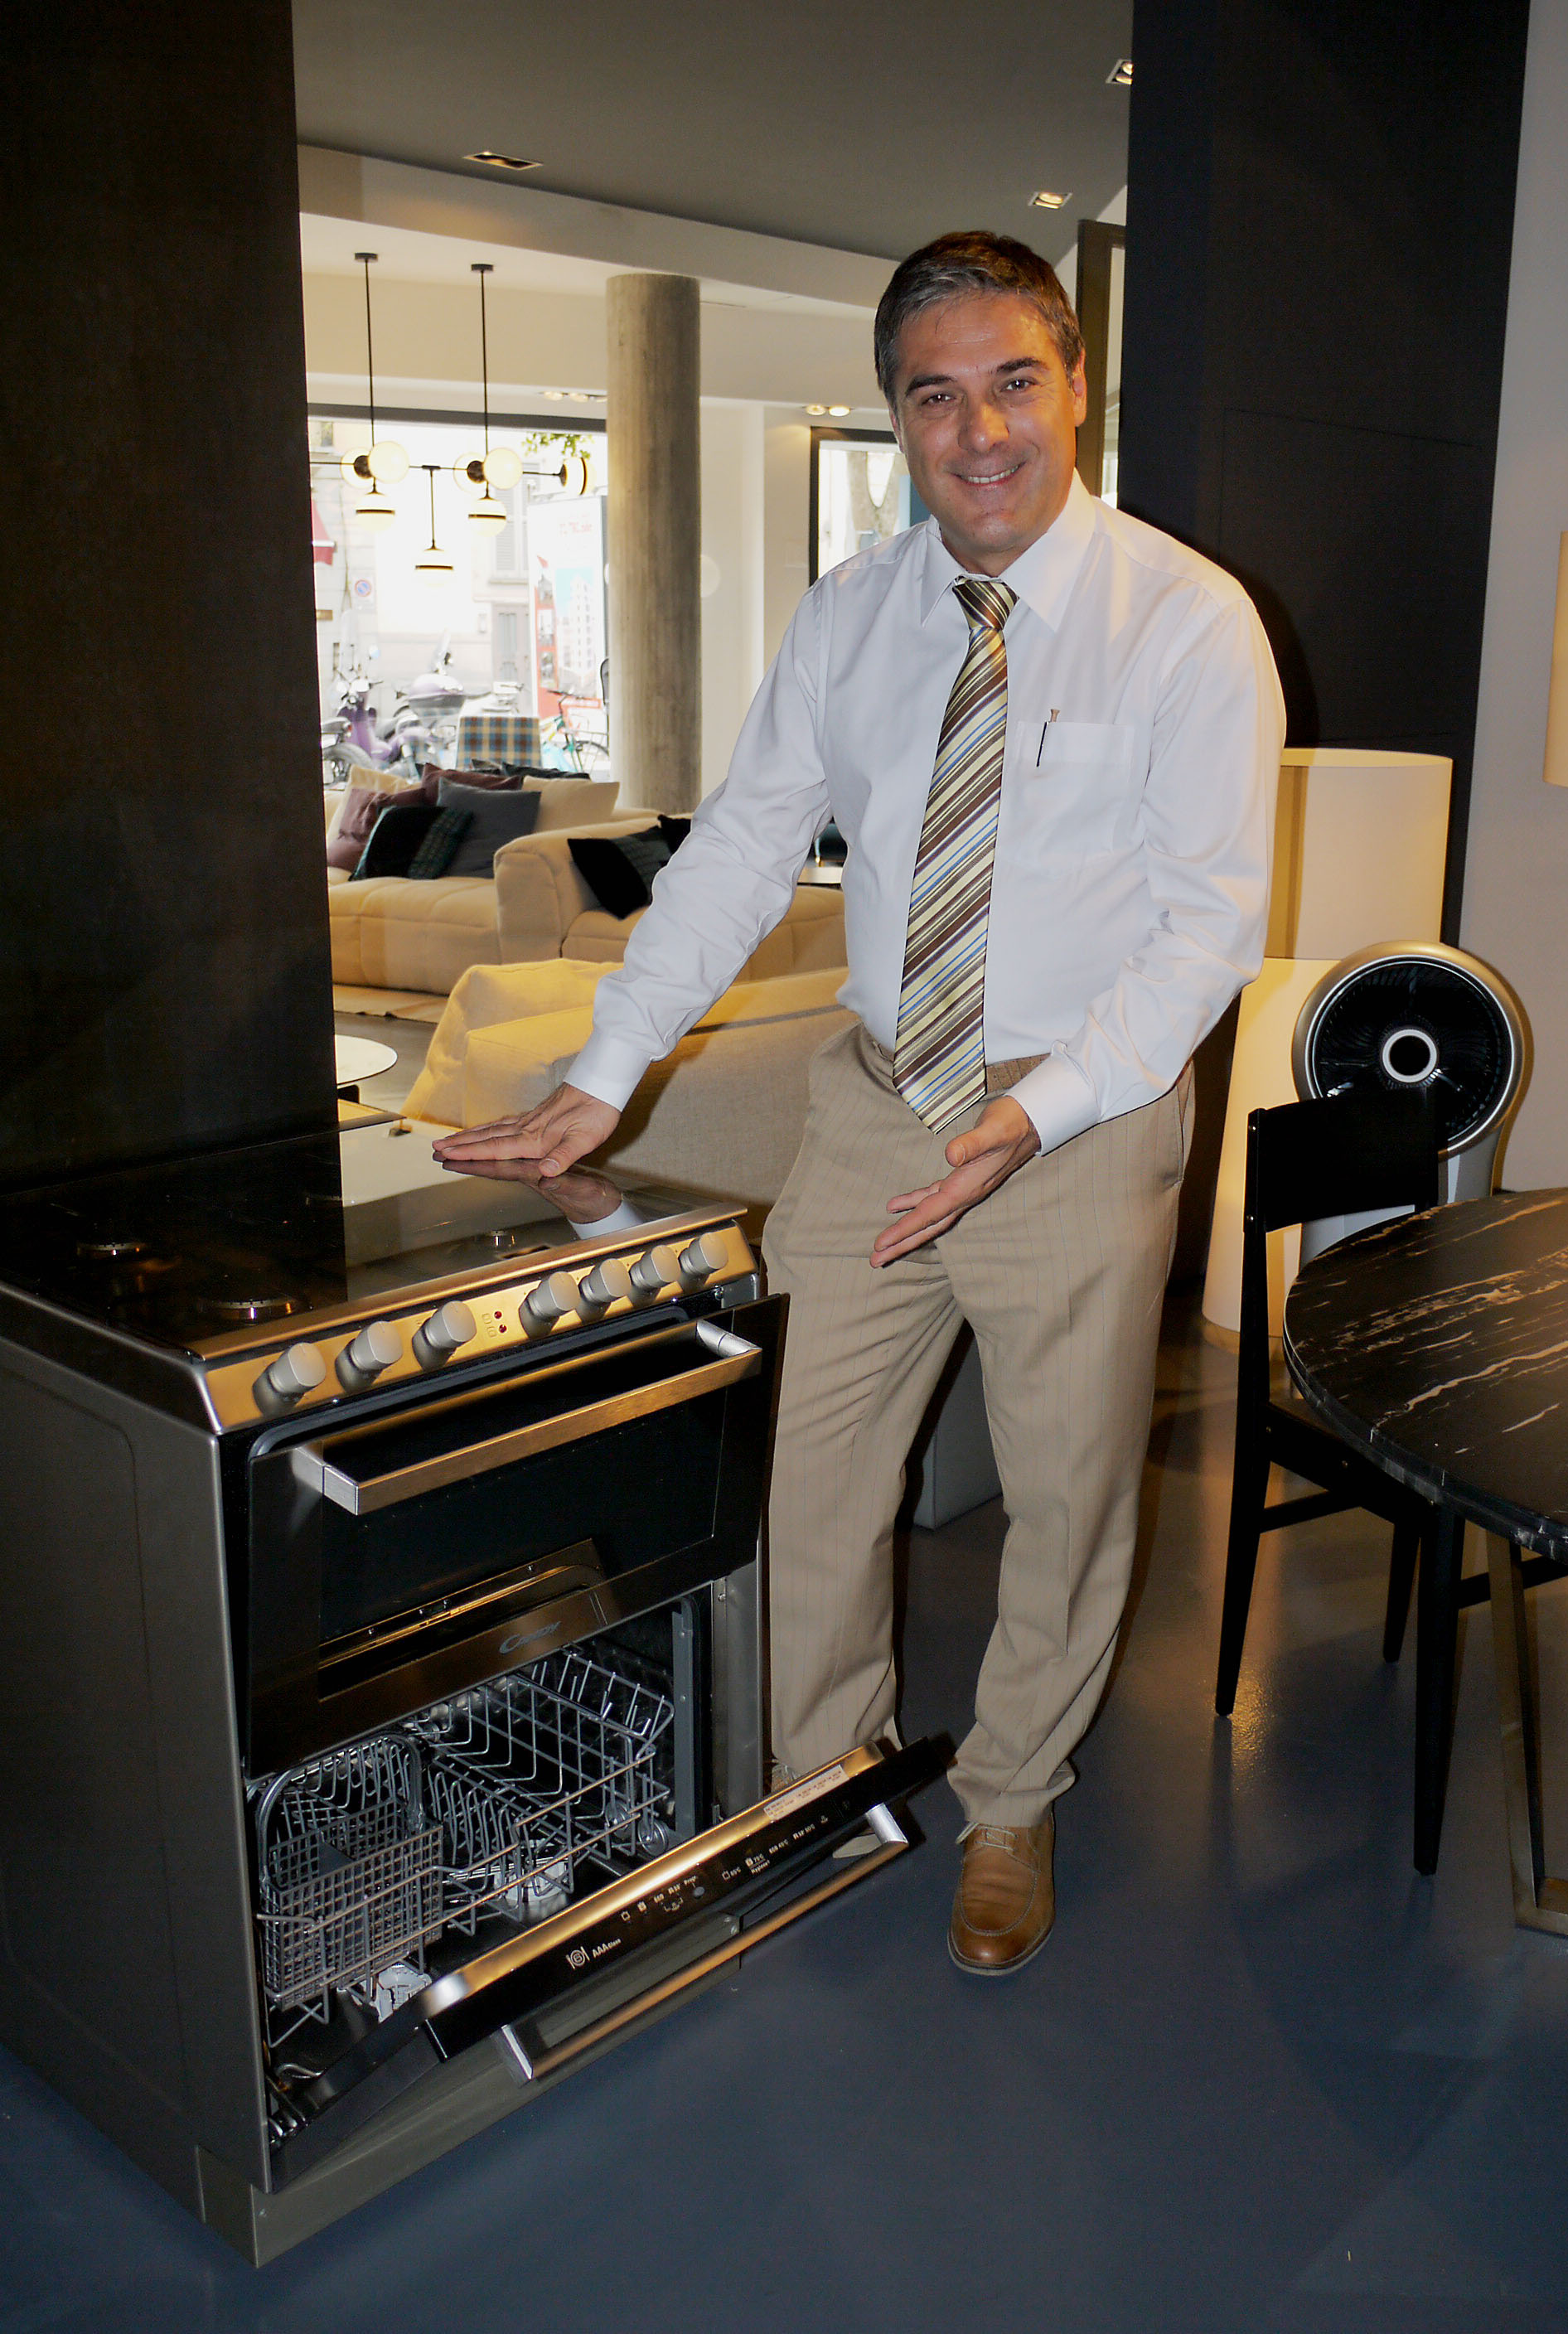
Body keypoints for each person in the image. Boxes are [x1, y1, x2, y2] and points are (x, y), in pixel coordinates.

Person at [435, 231, 1283, 1974]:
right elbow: (740, 853)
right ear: (898, 415)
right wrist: (603, 1071)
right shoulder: (851, 615)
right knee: (806, 1476)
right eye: (935, 395)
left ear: (1076, 387)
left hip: (1076, 1123)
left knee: (1067, 1499)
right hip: (881, 1104)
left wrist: (1037, 1115)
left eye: (1014, 382)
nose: (981, 431)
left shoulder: (1189, 621)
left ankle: (1014, 1799)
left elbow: (1207, 931)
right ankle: (821, 1784)